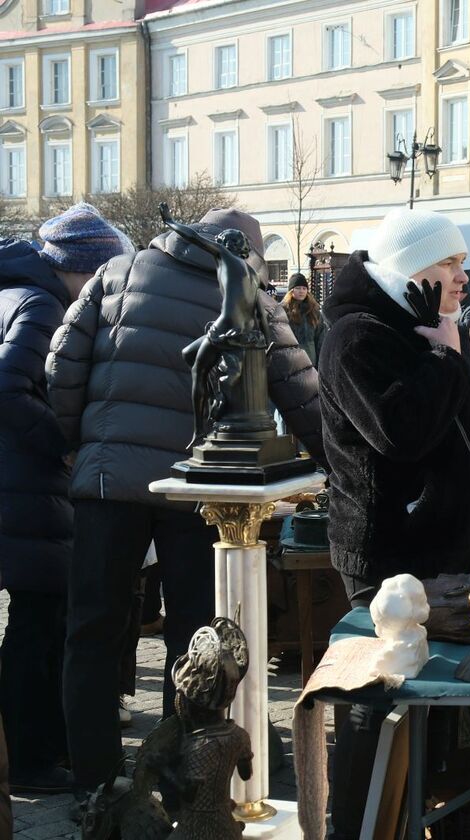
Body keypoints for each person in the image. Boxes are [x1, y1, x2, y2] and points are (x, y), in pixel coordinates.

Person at [46, 207, 326, 803]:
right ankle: (188, 776)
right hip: (197, 486)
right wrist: (334, 462)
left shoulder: (116, 273)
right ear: (245, 253)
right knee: (196, 633)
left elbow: (62, 366)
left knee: (91, 631)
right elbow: (303, 396)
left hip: (106, 484)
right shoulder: (251, 294)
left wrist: (83, 443)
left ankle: (93, 783)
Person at [319, 207, 470, 838]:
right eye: (448, 263)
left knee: (439, 724)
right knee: (380, 718)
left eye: (463, 262)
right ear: (409, 267)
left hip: (449, 552)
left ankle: (430, 820)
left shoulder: (425, 325)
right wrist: (443, 360)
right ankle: (364, 826)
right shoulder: (358, 335)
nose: (462, 276)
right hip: (391, 557)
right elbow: (398, 435)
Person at [0, 204, 127, 794]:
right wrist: (64, 441)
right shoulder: (44, 303)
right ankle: (31, 757)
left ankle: (32, 752)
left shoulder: (20, 291)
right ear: (82, 267)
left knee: (36, 622)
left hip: (20, 486)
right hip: (25, 486)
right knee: (37, 627)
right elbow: (7, 386)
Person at [281, 273, 325, 367]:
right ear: (291, 291)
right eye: (298, 288)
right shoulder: (282, 311)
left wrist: (321, 363)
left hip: (311, 361)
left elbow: (321, 338)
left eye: (304, 288)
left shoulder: (314, 311)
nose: (301, 291)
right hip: (291, 362)